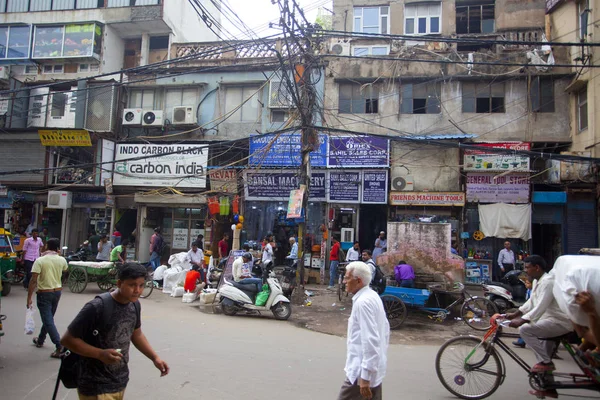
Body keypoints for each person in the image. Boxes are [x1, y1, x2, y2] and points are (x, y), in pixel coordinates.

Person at [60, 263, 169, 399]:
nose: (137, 290)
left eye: (141, 285)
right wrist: (100, 354)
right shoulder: (97, 307)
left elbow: (136, 333)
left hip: (120, 380)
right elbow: (67, 339)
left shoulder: (134, 304)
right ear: (119, 283)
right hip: (95, 385)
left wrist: (155, 358)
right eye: (132, 285)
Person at [505, 255, 571, 378]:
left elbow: (541, 306)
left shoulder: (548, 282)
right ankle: (548, 386)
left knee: (525, 330)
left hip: (559, 321)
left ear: (537, 268)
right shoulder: (536, 281)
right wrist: (517, 313)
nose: (525, 270)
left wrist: (522, 320)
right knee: (542, 353)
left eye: (528, 267)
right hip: (547, 321)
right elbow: (532, 301)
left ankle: (546, 363)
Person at [337, 261, 389, 400]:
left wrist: (365, 377)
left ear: (358, 280)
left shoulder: (363, 303)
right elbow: (384, 331)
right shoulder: (371, 296)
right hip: (372, 368)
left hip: (360, 373)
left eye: (347, 278)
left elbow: (371, 340)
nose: (344, 281)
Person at [26, 238, 68, 358]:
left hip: (44, 292)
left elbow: (33, 280)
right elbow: (65, 270)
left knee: (48, 319)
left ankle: (59, 346)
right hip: (57, 292)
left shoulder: (40, 260)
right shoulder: (61, 260)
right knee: (48, 318)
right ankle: (40, 339)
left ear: (47, 246)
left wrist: (28, 298)